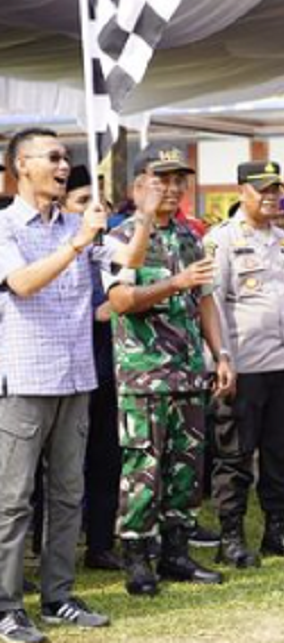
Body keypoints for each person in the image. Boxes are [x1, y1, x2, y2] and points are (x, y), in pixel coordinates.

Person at [0, 128, 161, 640]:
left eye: (65, 156)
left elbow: (126, 266)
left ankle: (57, 596)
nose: (63, 164)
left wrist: (146, 216)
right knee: (13, 500)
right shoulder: (5, 226)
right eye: (52, 157)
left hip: (77, 378)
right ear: (21, 166)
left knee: (69, 495)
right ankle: (6, 607)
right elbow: (22, 284)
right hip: (25, 379)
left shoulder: (79, 224)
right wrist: (77, 242)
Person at [105, 145, 236, 596]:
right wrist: (174, 282)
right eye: (161, 179)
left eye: (179, 179)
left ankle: (176, 553)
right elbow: (121, 302)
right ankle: (138, 559)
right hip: (143, 377)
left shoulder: (188, 236)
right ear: (137, 186)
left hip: (186, 373)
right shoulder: (119, 236)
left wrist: (219, 355)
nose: (173, 187)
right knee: (143, 466)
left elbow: (205, 301)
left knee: (185, 468)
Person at [205, 161, 284, 568]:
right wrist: (221, 359)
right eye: (262, 189)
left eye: (276, 189)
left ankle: (277, 529)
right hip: (243, 365)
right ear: (241, 192)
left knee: (282, 450)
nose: (271, 196)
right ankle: (231, 536)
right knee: (234, 453)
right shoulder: (221, 240)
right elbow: (211, 302)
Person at [58, 165, 124, 574]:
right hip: (63, 371)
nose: (95, 211)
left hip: (110, 369)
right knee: (58, 469)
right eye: (83, 202)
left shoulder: (114, 249)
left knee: (106, 459)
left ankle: (100, 544)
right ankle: (49, 548)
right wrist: (102, 310)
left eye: (102, 204)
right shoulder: (56, 250)